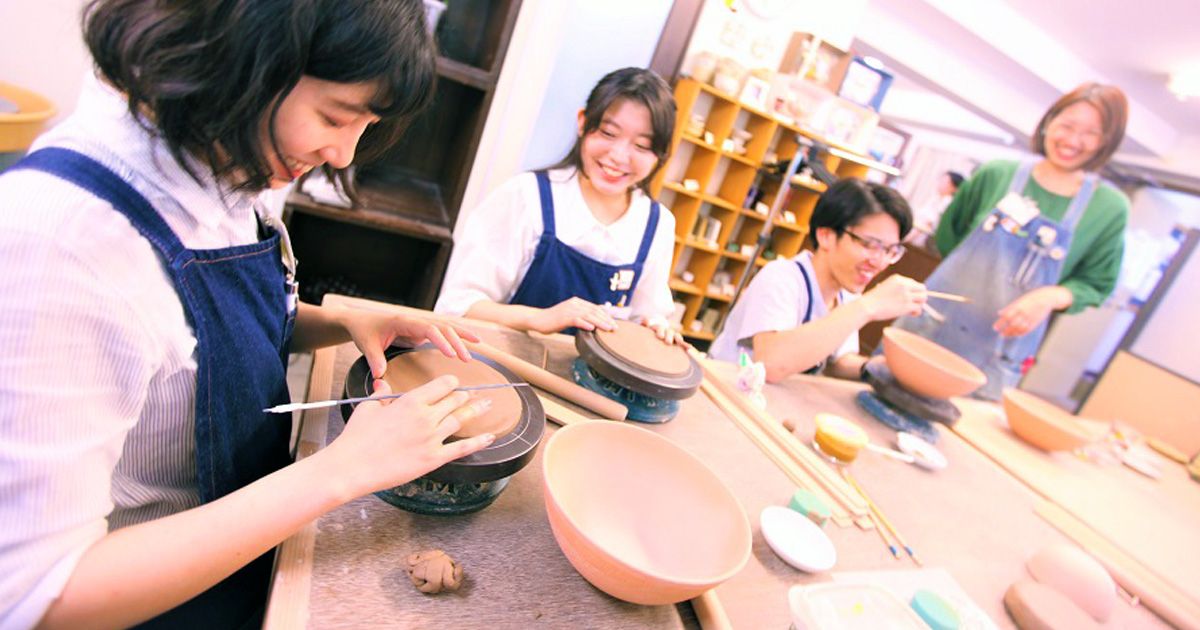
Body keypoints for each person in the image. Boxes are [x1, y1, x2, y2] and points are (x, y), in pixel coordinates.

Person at [0, 2, 496, 628]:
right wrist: (341, 471)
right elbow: (36, 597)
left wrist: (336, 321)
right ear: (243, 56)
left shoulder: (220, 159)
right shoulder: (59, 242)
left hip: (251, 555)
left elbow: (192, 345)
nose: (345, 155)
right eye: (335, 117)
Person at [894, 82, 1130, 400]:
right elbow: (951, 236)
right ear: (1049, 121)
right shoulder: (996, 174)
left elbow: (1097, 284)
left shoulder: (1109, 208)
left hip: (999, 355)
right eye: (1067, 125)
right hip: (932, 326)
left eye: (1091, 133)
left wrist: (1051, 295)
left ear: (1106, 142)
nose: (1073, 140)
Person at [435, 67, 680, 343]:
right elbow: (459, 306)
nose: (619, 156)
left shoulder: (657, 224)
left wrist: (656, 329)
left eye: (642, 146)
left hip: (587, 384)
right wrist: (541, 319)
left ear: (660, 155)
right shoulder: (527, 196)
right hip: (499, 372)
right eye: (609, 133)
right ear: (582, 122)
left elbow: (647, 316)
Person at [710, 178, 927, 383]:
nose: (879, 261)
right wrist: (868, 306)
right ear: (826, 236)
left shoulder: (848, 293)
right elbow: (770, 364)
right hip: (724, 392)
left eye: (891, 250)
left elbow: (838, 361)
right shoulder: (782, 278)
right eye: (870, 245)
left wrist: (875, 367)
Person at [908, 170, 964, 250]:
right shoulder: (936, 199)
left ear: (954, 188)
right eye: (940, 180)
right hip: (914, 238)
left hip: (920, 244)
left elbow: (927, 224)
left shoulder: (947, 203)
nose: (940, 183)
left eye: (944, 181)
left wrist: (906, 240)